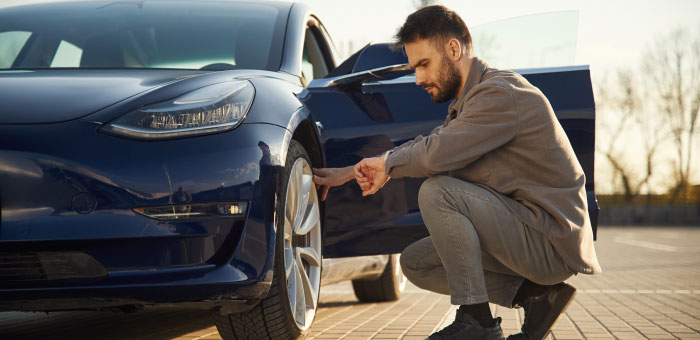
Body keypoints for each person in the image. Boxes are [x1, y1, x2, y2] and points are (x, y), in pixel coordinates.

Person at [313, 5, 601, 340]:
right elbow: (436, 143)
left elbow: (438, 153)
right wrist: (351, 171)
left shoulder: (499, 93)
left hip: (548, 240)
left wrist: (388, 165)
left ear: (453, 49)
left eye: (423, 64)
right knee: (416, 262)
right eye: (414, 67)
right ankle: (535, 297)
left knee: (437, 191)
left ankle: (477, 323)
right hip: (525, 231)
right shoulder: (470, 101)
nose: (418, 78)